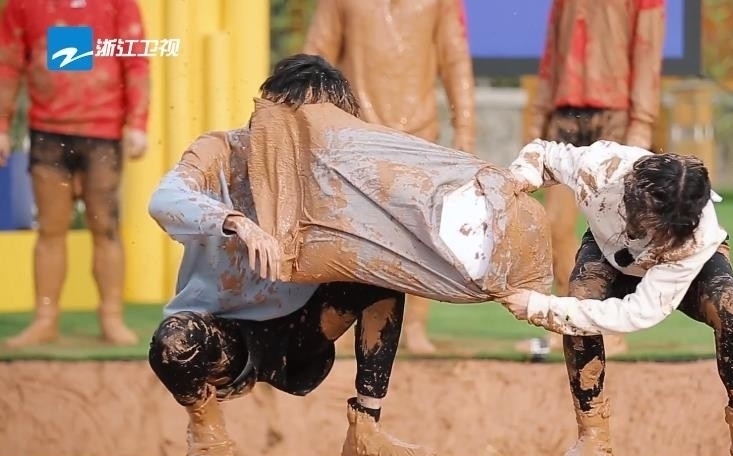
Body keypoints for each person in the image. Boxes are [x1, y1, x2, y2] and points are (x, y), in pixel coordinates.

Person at [147, 53, 550, 456]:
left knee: (382, 267)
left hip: (302, 335)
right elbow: (165, 199)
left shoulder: (336, 169)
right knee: (174, 342)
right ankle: (208, 437)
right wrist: (237, 222)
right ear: (271, 115)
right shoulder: (221, 151)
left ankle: (365, 428)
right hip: (222, 335)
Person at [498, 139, 733, 456]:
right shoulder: (600, 167)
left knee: (730, 305)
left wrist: (540, 307)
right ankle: (593, 439)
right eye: (649, 225)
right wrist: (522, 176)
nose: (652, 237)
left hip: (681, 264)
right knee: (580, 300)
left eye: (661, 231)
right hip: (610, 249)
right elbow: (543, 154)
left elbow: (637, 313)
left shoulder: (696, 236)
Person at [302, 0, 476, 354]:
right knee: (350, 234)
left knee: (422, 237)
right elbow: (317, 56)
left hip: (418, 134)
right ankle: (343, 324)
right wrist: (303, 121)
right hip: (356, 132)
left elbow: (454, 58)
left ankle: (413, 326)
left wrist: (466, 130)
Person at [521, 0, 667, 356]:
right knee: (553, 223)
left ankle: (610, 328)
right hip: (565, 111)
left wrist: (641, 125)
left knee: (614, 230)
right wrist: (538, 118)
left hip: (615, 112)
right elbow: (551, 54)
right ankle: (571, 321)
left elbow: (647, 52)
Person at [0, 0, 149, 347]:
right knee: (50, 230)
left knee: (106, 229)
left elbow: (136, 61)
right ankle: (45, 319)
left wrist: (138, 123)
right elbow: (7, 64)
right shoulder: (23, 4)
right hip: (48, 134)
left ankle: (111, 318)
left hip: (103, 134)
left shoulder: (119, 3)